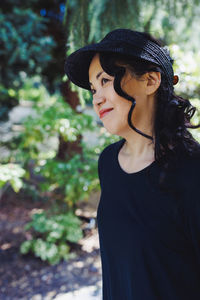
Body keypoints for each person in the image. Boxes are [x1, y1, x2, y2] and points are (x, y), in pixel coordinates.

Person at [64, 28, 200, 300]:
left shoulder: (192, 170)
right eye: (93, 88)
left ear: (150, 81)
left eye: (104, 80)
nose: (97, 98)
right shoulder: (108, 163)